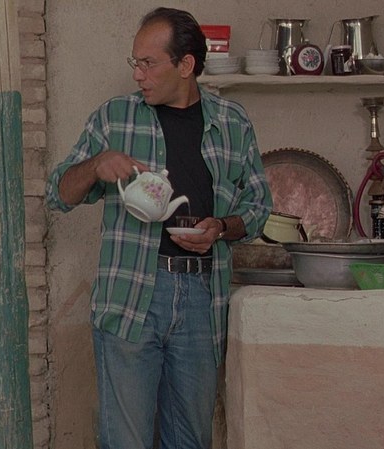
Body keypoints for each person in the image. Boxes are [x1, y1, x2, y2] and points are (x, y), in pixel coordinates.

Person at [45, 7, 272, 449]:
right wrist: (96, 165)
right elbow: (58, 193)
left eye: (148, 63)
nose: (138, 74)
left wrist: (221, 227)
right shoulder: (114, 118)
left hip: (202, 299)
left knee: (190, 440)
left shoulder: (232, 122)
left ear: (185, 65)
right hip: (130, 294)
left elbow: (259, 205)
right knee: (125, 440)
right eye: (136, 62)